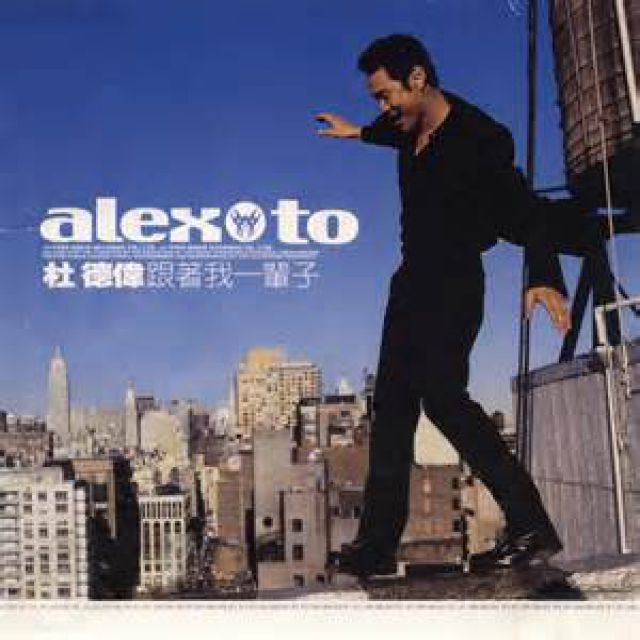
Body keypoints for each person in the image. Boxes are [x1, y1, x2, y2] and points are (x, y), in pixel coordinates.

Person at [315, 34, 583, 578]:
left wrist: (543, 276)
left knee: (443, 399)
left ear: (417, 78)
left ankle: (531, 526)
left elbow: (526, 209)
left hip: (455, 281)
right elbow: (388, 132)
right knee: (391, 407)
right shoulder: (405, 126)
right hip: (410, 282)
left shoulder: (480, 137)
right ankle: (377, 546)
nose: (383, 108)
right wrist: (355, 132)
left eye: (386, 95)